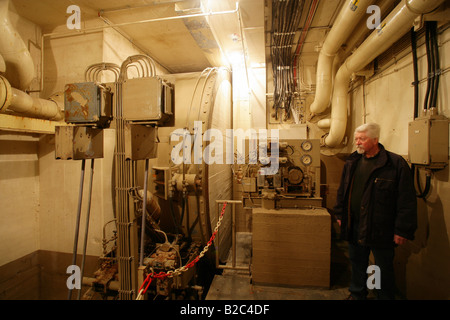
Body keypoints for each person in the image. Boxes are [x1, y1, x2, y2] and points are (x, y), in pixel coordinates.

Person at [333, 123, 417, 300]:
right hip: (355, 223)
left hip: (381, 227)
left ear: (375, 140)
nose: (358, 143)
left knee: (380, 267)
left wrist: (402, 229)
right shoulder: (353, 161)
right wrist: (340, 214)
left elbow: (406, 200)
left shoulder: (394, 164)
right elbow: (343, 190)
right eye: (357, 139)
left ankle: (383, 296)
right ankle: (357, 294)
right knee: (357, 262)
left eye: (362, 139)